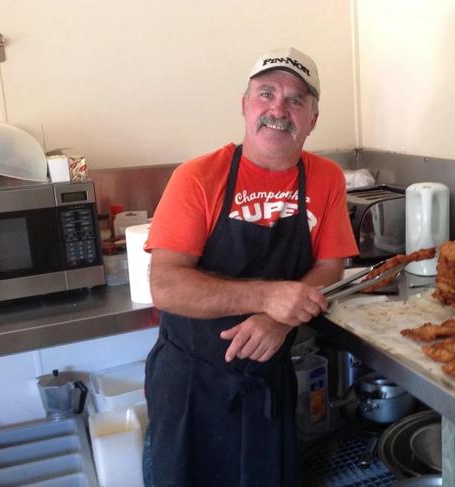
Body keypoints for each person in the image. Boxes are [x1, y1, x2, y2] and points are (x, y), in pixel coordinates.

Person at [143, 47, 358, 486]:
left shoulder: (326, 178)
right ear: (245, 105)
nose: (279, 109)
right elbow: (166, 285)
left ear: (312, 119)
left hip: (268, 378)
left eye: (296, 99)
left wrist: (276, 319)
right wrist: (268, 297)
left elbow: (330, 266)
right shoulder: (198, 176)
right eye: (266, 93)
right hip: (190, 384)